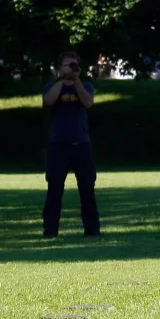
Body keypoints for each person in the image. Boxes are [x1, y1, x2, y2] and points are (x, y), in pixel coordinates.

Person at [41, 51, 100, 238]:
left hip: (81, 144)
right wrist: (62, 80)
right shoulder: (52, 86)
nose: (71, 68)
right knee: (55, 189)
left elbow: (88, 102)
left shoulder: (86, 86)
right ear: (60, 67)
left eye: (74, 65)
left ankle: (92, 231)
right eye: (67, 64)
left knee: (87, 189)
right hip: (59, 145)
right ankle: (50, 231)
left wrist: (76, 81)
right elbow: (48, 101)